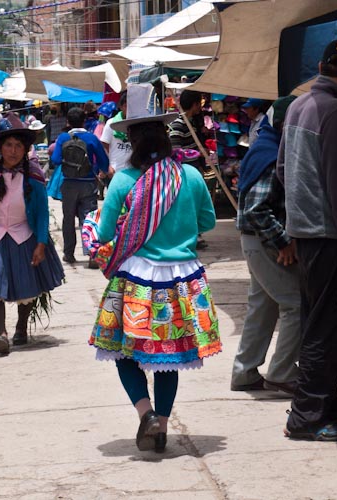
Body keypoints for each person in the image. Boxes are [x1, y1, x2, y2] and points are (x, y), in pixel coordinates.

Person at [85, 83, 221, 453]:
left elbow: (106, 232)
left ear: (131, 142)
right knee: (167, 359)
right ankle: (160, 424)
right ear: (164, 138)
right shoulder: (190, 177)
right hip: (183, 279)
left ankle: (144, 413)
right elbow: (207, 222)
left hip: (136, 281)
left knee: (124, 352)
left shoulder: (124, 182)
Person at [277, 39, 337, 441]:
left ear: (319, 66)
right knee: (326, 326)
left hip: (308, 232)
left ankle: (327, 402)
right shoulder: (335, 112)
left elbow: (281, 171)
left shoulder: (297, 105)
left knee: (326, 321)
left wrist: (294, 225)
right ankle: (305, 415)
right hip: (329, 236)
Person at [0, 124, 65, 355]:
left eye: (19, 146)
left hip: (23, 235)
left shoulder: (34, 178)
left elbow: (40, 212)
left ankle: (20, 327)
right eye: (8, 145)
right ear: (0, 148)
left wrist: (41, 243)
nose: (13, 150)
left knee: (26, 286)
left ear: (25, 150)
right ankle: (1, 334)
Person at [231, 96, 300, 395]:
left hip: (254, 240)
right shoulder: (272, 153)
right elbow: (257, 209)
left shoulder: (264, 145)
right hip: (263, 241)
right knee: (296, 304)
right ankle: (282, 373)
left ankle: (245, 372)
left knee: (263, 306)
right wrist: (282, 242)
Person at [50, 107, 110, 266]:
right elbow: (104, 161)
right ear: (84, 120)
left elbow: (55, 160)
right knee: (89, 219)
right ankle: (91, 254)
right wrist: (102, 171)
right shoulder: (91, 138)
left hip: (68, 183)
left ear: (67, 122)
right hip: (88, 183)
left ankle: (69, 254)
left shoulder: (63, 138)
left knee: (68, 219)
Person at [169, 89, 210, 250]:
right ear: (194, 104)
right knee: (187, 204)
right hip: (184, 171)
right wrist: (196, 154)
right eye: (198, 103)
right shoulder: (178, 123)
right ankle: (189, 236)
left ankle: (195, 234)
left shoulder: (191, 122)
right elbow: (175, 150)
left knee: (194, 203)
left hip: (192, 169)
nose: (200, 107)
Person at [100, 91, 130, 175]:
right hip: (115, 170)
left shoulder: (136, 124)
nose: (129, 109)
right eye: (126, 106)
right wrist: (108, 165)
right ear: (121, 107)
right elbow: (104, 145)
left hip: (132, 171)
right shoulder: (112, 123)